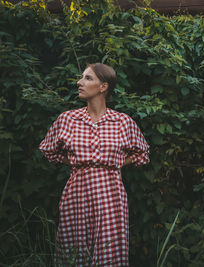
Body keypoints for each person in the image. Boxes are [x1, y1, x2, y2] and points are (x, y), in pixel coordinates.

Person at [39, 63, 149, 266]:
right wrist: (76, 162)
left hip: (111, 193)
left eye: (88, 78)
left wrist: (114, 164)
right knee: (74, 249)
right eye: (82, 78)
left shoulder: (122, 122)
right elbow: (48, 150)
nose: (80, 83)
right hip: (77, 192)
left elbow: (142, 154)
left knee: (109, 251)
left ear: (103, 87)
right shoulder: (68, 119)